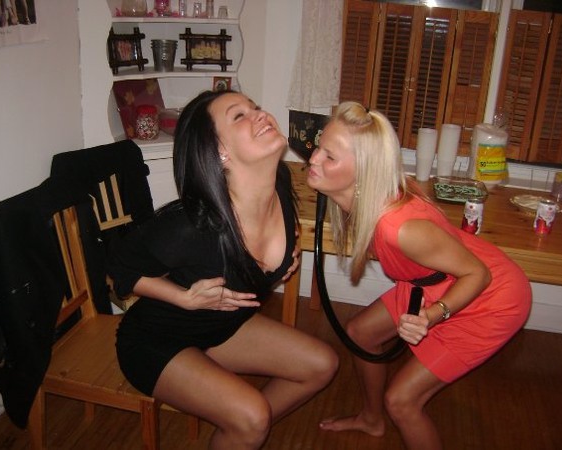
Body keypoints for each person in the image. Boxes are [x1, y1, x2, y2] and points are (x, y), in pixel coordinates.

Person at [108, 90, 339, 450]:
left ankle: (243, 431)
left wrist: (282, 262)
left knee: (322, 364)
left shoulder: (279, 185)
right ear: (220, 151)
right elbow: (117, 268)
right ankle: (247, 426)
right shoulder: (191, 225)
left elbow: (258, 255)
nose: (260, 114)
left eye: (255, 107)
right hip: (155, 342)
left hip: (221, 328)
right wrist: (183, 298)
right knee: (252, 416)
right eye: (239, 116)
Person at [306, 102, 531, 450]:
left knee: (402, 402)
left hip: (492, 297)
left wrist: (433, 314)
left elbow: (478, 274)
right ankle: (371, 419)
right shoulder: (363, 199)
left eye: (329, 156)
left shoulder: (400, 228)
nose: (313, 159)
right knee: (361, 333)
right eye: (319, 146)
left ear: (364, 171)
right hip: (434, 281)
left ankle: (385, 414)